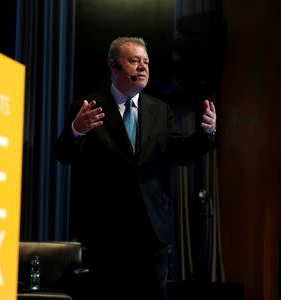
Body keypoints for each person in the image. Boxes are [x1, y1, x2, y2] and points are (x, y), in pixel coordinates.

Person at [55, 36, 217, 300]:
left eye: (146, 62)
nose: (143, 67)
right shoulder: (89, 108)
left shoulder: (159, 110)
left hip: (152, 234)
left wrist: (206, 134)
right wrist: (76, 131)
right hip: (106, 235)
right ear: (114, 66)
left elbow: (180, 153)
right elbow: (63, 154)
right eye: (134, 61)